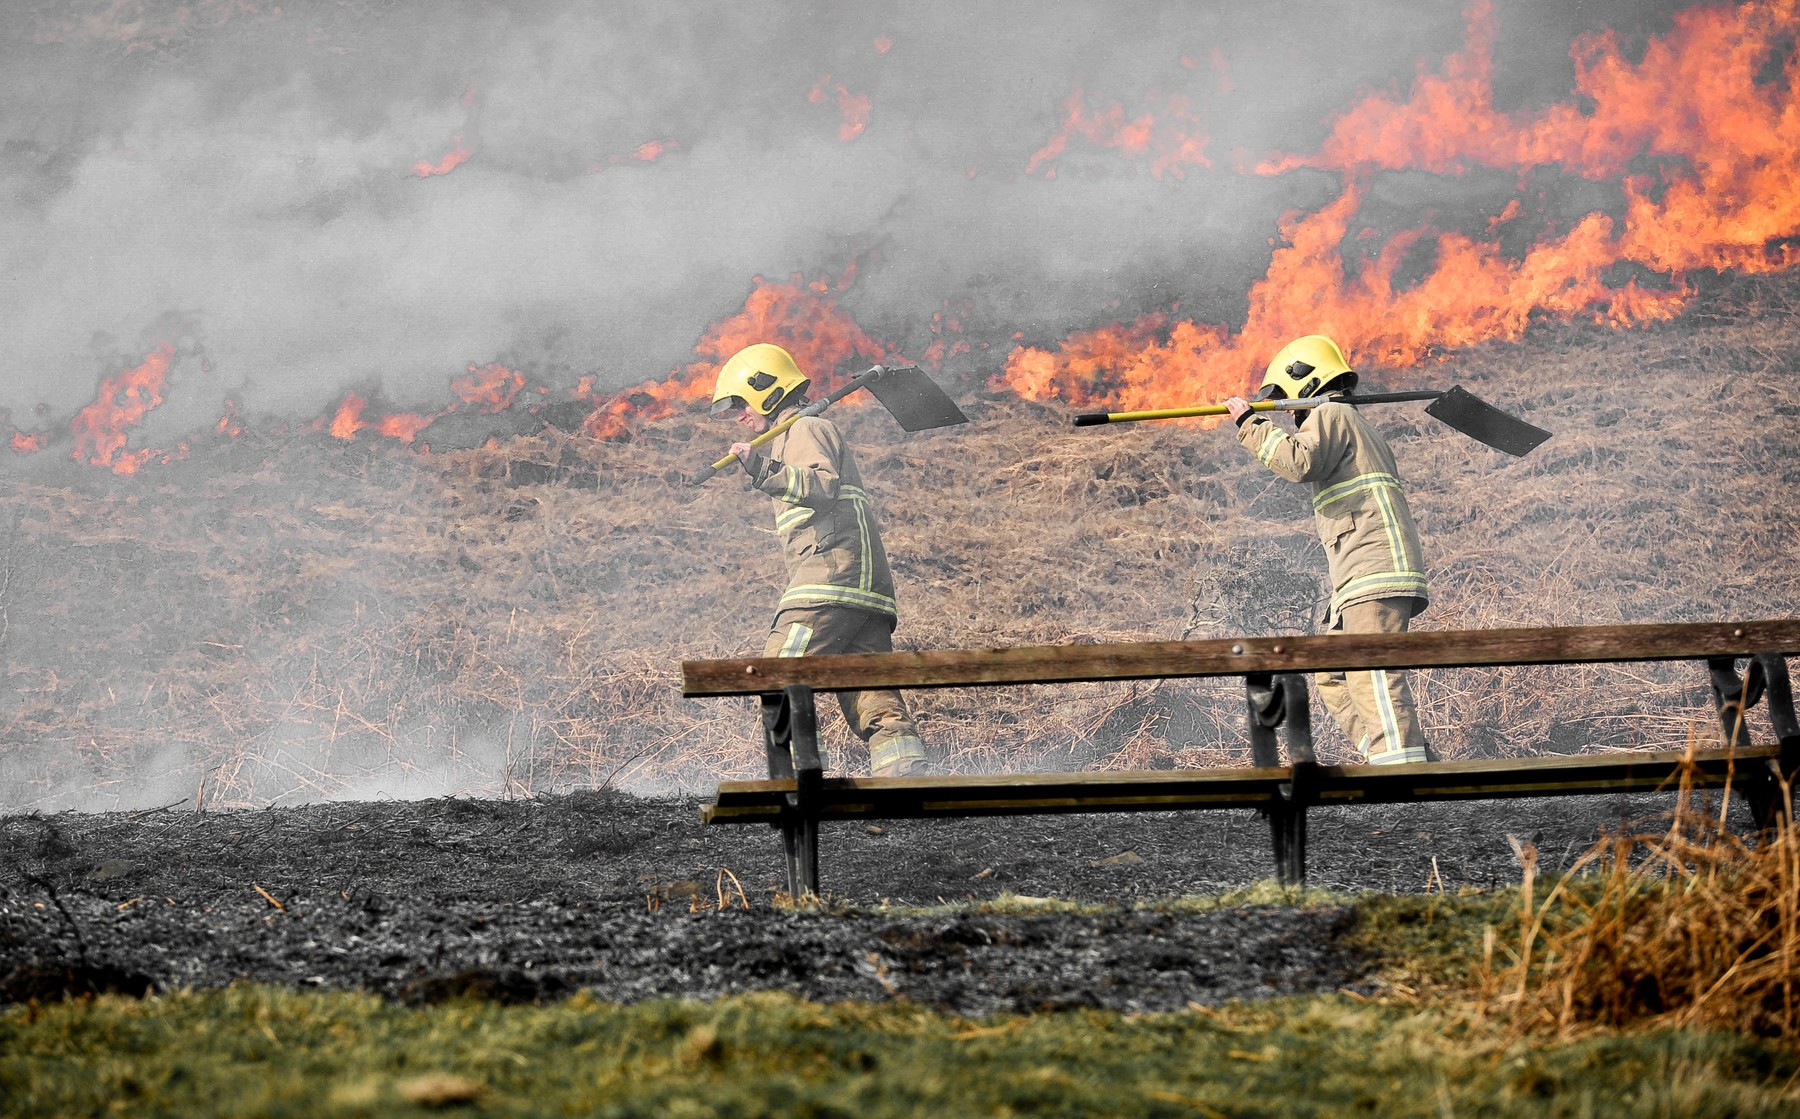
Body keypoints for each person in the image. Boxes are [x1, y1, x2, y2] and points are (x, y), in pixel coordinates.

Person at [711, 342, 933, 778]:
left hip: (828, 582)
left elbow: (821, 485)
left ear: (766, 391)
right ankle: (903, 774)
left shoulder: (806, 429)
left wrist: (761, 470)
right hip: (862, 589)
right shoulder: (793, 435)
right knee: (872, 693)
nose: (740, 416)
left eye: (741, 404)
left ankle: (798, 777)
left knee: (774, 676)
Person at [1223, 335, 1435, 765]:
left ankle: (1403, 775)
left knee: (1371, 672)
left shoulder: (1333, 413)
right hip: (1356, 575)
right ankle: (1397, 756)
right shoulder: (1343, 422)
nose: (1288, 411)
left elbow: (1299, 463)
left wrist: (1250, 423)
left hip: (1373, 570)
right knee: (1332, 673)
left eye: (1285, 400)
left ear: (1304, 381)